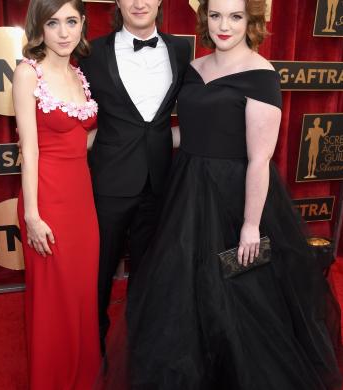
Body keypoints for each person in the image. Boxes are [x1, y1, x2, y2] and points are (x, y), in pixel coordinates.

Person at [127, 0, 343, 389]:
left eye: (235, 16)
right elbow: (189, 133)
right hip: (186, 189)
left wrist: (250, 225)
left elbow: (260, 159)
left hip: (236, 195)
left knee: (240, 299)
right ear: (204, 18)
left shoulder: (261, 75)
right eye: (215, 15)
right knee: (179, 293)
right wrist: (125, 141)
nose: (223, 25)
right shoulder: (194, 68)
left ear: (252, 21)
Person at [80, 0, 191, 356]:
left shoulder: (180, 48)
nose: (139, 3)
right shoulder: (90, 52)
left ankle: (142, 349)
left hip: (159, 180)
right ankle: (94, 347)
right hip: (109, 181)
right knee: (98, 272)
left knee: (150, 272)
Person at [13, 0, 101, 388]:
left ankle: (82, 376)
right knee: (54, 300)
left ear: (82, 24)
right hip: (45, 199)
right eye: (53, 23)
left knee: (82, 294)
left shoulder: (79, 74)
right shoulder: (27, 72)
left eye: (71, 21)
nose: (64, 32)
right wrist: (31, 214)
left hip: (82, 198)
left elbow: (85, 137)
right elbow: (28, 150)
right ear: (40, 27)